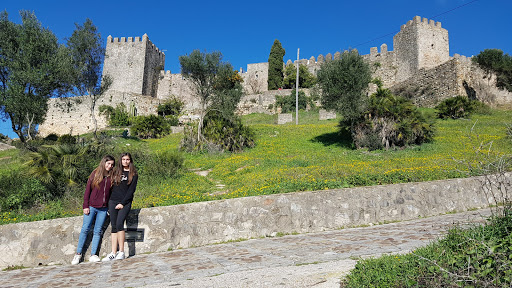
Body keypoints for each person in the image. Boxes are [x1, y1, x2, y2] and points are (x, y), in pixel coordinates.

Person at [71, 155, 115, 265]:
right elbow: (87, 191)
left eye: (112, 164)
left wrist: (109, 208)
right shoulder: (95, 173)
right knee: (85, 229)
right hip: (92, 206)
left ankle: (93, 255)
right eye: (108, 163)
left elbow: (111, 193)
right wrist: (85, 206)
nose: (110, 166)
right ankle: (78, 254)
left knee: (98, 231)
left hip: (103, 209)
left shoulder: (112, 176)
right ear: (104, 162)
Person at [103, 152, 138, 261]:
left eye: (127, 159)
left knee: (119, 224)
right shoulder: (116, 172)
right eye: (123, 159)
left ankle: (121, 251)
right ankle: (113, 252)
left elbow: (131, 192)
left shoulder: (134, 174)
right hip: (113, 201)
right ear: (121, 161)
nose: (125, 161)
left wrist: (122, 203)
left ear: (130, 161)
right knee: (114, 226)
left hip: (125, 203)